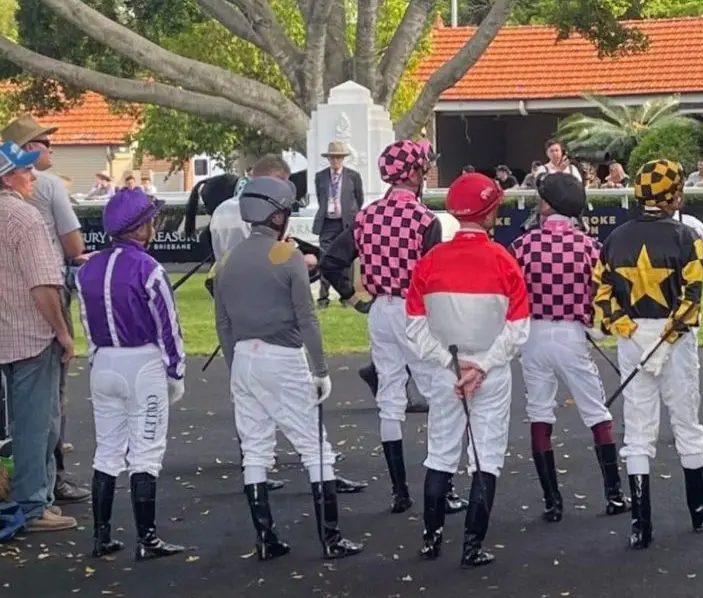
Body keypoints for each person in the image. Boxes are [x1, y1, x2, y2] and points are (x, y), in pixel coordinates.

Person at [213, 176, 363, 560]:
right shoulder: (287, 256)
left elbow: (223, 324)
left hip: (244, 359)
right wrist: (321, 369)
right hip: (283, 357)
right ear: (277, 215)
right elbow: (307, 318)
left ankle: (266, 539)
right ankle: (330, 538)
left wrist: (235, 369)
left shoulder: (227, 260)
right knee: (317, 450)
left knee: (256, 450)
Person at [592, 159, 703, 550]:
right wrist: (664, 339)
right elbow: (692, 302)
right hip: (676, 342)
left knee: (637, 429)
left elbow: (602, 296)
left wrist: (630, 331)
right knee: (686, 424)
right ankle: (698, 511)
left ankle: (640, 525)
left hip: (632, 341)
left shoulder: (614, 239)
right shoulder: (689, 238)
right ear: (676, 196)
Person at [319, 139, 452, 515]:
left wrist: (352, 296)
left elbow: (332, 261)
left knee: (390, 398)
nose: (425, 175)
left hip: (381, 311)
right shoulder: (427, 220)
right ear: (410, 174)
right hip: (415, 312)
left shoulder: (365, 216)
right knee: (438, 393)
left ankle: (400, 493)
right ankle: (442, 488)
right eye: (423, 170)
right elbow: (433, 277)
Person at [405, 172, 530, 568]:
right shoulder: (505, 262)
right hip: (489, 371)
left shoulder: (428, 262)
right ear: (490, 212)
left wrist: (450, 363)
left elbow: (415, 327)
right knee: (486, 456)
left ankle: (431, 540)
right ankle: (472, 546)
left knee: (440, 454)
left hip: (447, 370)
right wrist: (484, 366)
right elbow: (518, 330)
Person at [0, 142, 77, 532]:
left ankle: (37, 498)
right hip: (31, 332)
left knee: (26, 418)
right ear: (8, 178)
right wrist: (63, 332)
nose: (33, 176)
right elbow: (43, 287)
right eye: (26, 171)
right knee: (38, 423)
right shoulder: (24, 218)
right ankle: (32, 505)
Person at [509, 172, 629, 522]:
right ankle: (614, 495)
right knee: (596, 413)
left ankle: (552, 503)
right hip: (572, 336)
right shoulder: (591, 247)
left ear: (548, 205)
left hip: (532, 337)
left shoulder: (523, 245)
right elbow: (602, 294)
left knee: (540, 413)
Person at [76, 187, 186, 561]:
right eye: (150, 221)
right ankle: (148, 539)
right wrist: (176, 370)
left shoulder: (88, 268)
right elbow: (168, 325)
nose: (154, 226)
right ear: (139, 228)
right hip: (142, 365)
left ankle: (101, 536)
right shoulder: (149, 268)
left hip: (103, 362)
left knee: (107, 452)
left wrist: (95, 357)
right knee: (146, 452)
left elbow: (86, 326)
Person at [3, 114, 92, 504]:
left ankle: (25, 476)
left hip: (3, 296)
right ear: (25, 151)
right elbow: (74, 248)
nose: (50, 148)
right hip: (46, 290)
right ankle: (48, 483)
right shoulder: (51, 187)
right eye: (42, 142)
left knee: (17, 395)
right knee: (51, 395)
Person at [312, 141, 365, 308]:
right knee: (324, 258)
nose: (335, 161)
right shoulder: (320, 177)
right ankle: (323, 297)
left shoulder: (353, 176)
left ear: (343, 159)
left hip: (346, 223)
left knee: (346, 260)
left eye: (338, 158)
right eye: (333, 158)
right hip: (327, 223)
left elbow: (359, 199)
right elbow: (321, 198)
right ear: (328, 159)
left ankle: (346, 297)